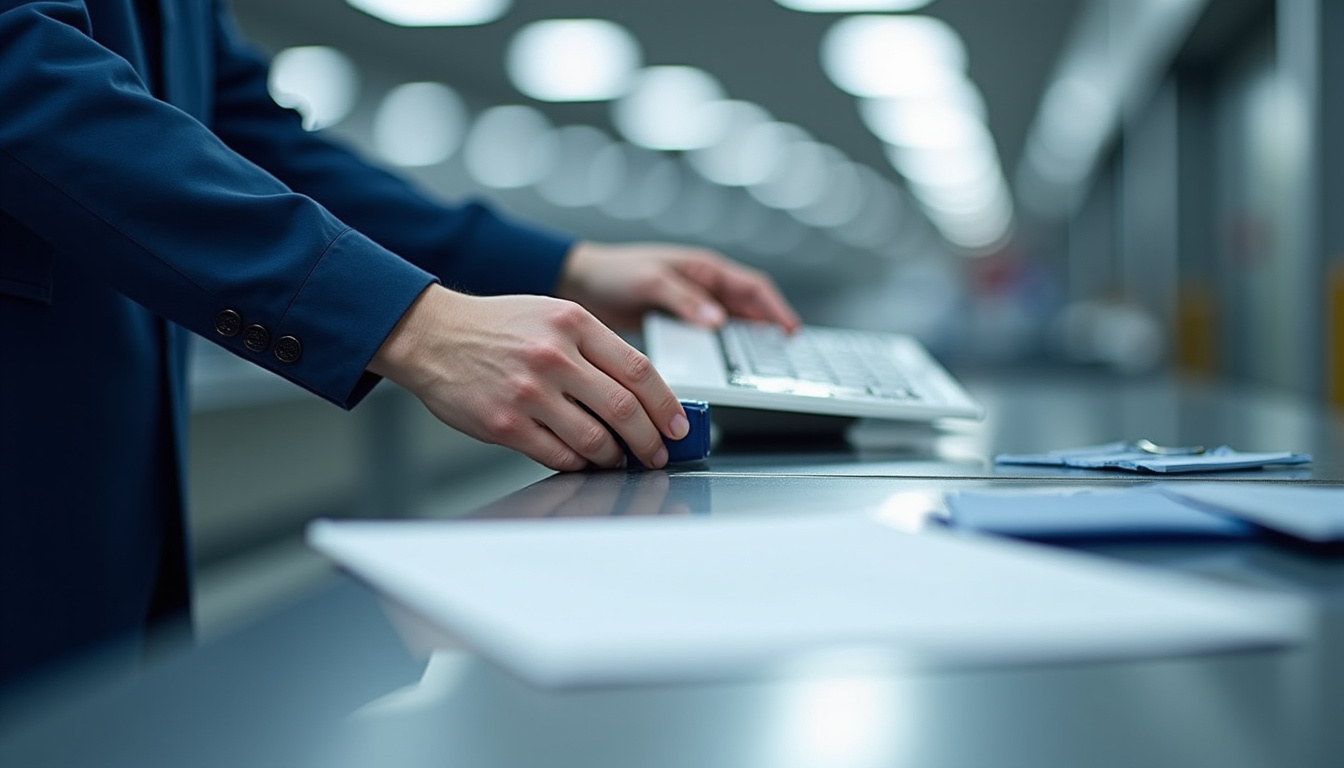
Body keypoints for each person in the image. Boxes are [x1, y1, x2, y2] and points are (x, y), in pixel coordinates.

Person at [0, 0, 800, 686]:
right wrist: (409, 322)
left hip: (104, 484)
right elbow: (22, 73)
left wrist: (564, 266)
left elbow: (256, 144)